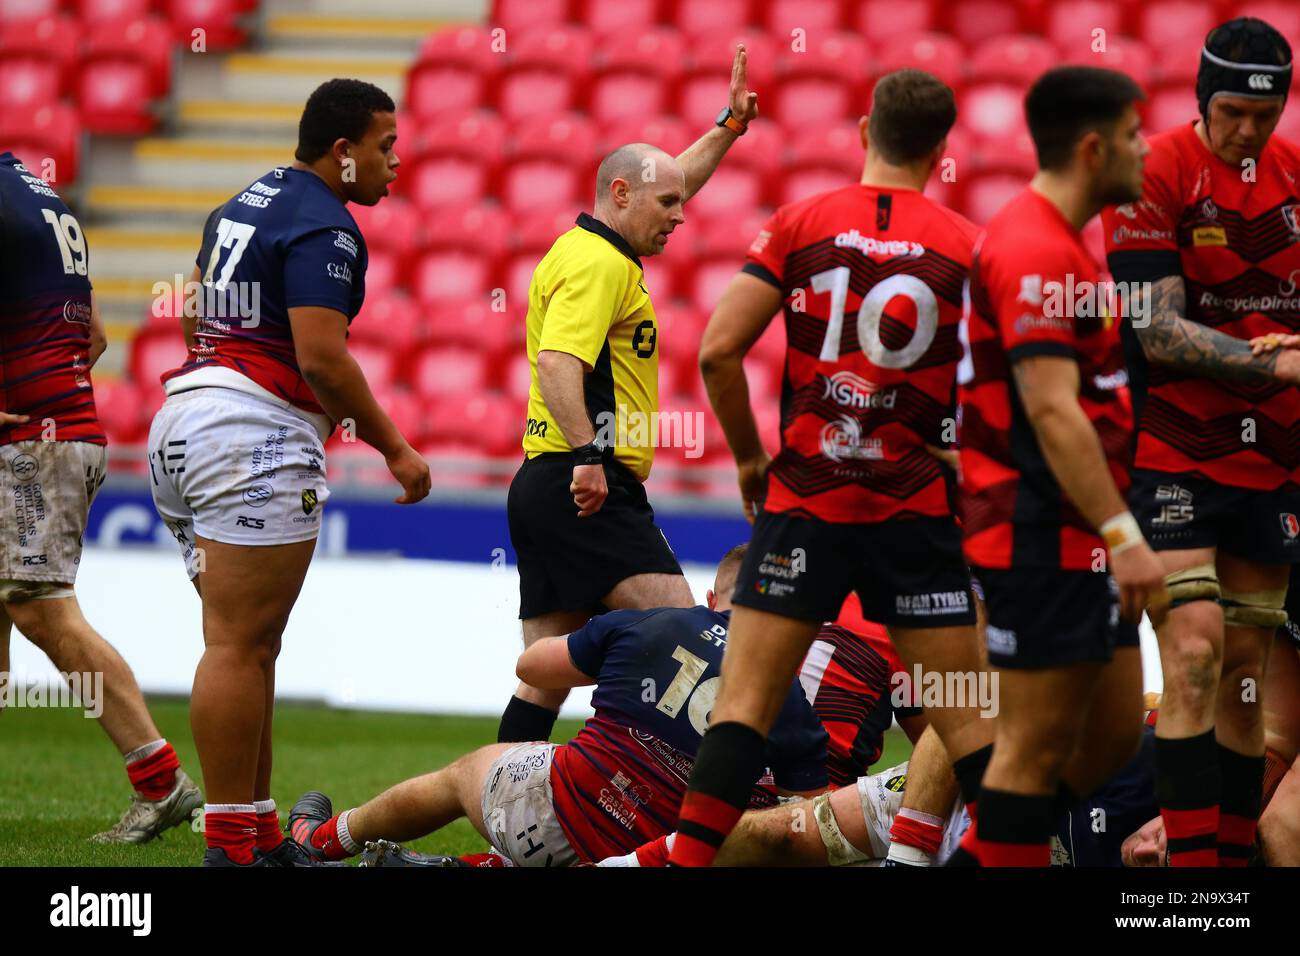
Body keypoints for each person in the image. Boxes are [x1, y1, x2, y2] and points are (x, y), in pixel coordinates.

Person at [668, 68, 995, 868]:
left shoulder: (799, 223)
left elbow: (717, 352)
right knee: (974, 723)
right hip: (913, 511)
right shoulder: (968, 246)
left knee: (742, 714)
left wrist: (750, 457)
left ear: (862, 132)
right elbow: (999, 390)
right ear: (943, 149)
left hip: (806, 501)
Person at [147, 78, 430, 867]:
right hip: (250, 433)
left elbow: (193, 316)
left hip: (184, 420)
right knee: (239, 645)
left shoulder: (243, 202)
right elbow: (321, 357)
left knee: (248, 644)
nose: (394, 163)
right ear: (343, 152)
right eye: (385, 147)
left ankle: (257, 834)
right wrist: (397, 449)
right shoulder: (326, 223)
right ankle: (234, 847)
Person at [501, 44, 760, 746]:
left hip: (547, 481)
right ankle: (649, 799)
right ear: (621, 195)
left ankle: (502, 811)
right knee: (682, 634)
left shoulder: (585, 247)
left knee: (545, 675)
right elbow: (558, 363)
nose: (681, 216)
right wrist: (589, 454)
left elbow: (672, 180)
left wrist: (728, 129)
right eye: (667, 204)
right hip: (582, 482)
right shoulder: (600, 264)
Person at [286, 546, 829, 866]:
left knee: (459, 777)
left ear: (713, 599)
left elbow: (532, 668)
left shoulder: (655, 621)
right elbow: (805, 829)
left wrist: (599, 633)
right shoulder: (792, 700)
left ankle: (322, 841)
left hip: (550, 815)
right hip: (654, 855)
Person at [1099, 16, 1300, 867]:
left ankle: (1219, 877)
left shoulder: (1294, 178)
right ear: (1200, 99)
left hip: (1275, 463)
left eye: (1265, 112)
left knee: (1245, 675)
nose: (1247, 130)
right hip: (1178, 451)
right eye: (1231, 112)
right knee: (1191, 654)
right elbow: (1155, 330)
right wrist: (1275, 365)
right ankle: (1185, 887)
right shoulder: (1156, 173)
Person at [956, 66, 1168, 866]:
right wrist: (1123, 532)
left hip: (1079, 532)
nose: (1145, 149)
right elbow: (1050, 408)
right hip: (1038, 533)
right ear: (1092, 147)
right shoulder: (1035, 247)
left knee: (1111, 736)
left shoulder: (1063, 244)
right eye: (1133, 134)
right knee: (1034, 747)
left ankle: (991, 846)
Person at [0, 151, 201, 843]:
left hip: (33, 444)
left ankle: (162, 780)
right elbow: (94, 337)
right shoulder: (40, 195)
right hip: (58, 429)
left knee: (42, 610)